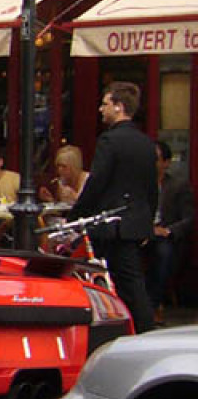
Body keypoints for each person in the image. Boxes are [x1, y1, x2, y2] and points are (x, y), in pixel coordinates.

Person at [69, 81, 158, 334]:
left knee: (122, 283)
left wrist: (76, 216)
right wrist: (147, 221)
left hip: (112, 225)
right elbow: (151, 188)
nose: (100, 109)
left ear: (119, 107)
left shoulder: (109, 141)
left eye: (105, 103)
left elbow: (97, 182)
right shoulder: (145, 142)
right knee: (129, 280)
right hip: (135, 222)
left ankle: (141, 330)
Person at [145, 140, 194, 324]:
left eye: (155, 159)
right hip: (142, 232)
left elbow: (188, 219)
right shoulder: (142, 185)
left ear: (166, 163)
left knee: (163, 253)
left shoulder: (178, 186)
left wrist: (168, 231)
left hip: (164, 236)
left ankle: (153, 305)